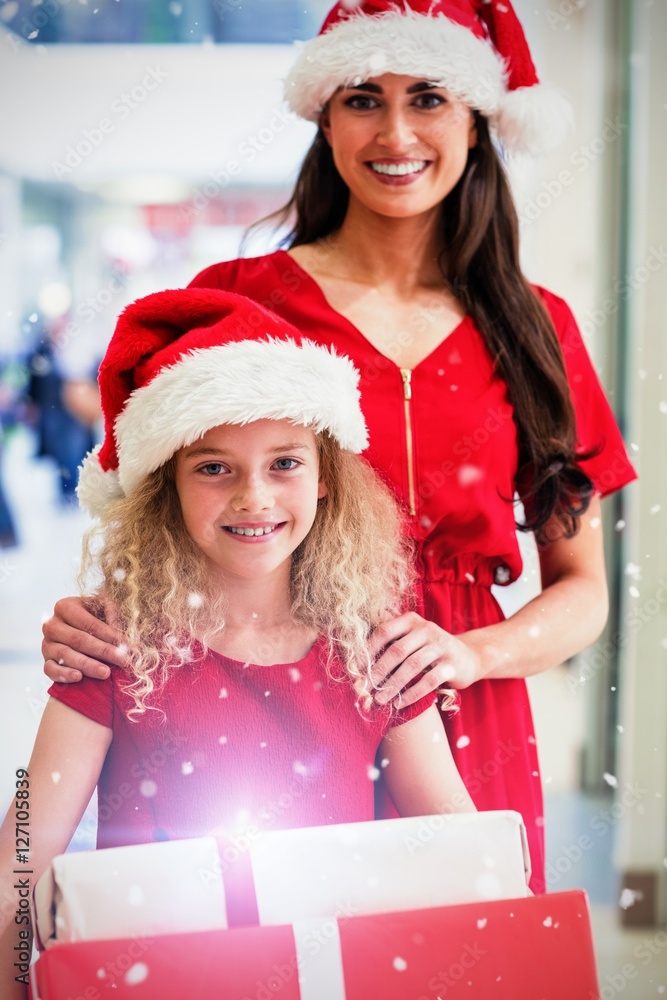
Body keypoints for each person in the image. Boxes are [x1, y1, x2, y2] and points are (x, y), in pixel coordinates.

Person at [40, 0, 637, 894]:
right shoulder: (242, 300)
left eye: (429, 96)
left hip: (465, 713)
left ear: (478, 122)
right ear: (325, 118)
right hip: (273, 703)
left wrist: (474, 654)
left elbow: (583, 588)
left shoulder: (536, 329)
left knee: (465, 946)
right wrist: (97, 616)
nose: (395, 131)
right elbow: (165, 510)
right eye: (363, 97)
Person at [0, 289, 475, 1000]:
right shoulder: (112, 648)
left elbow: (463, 861)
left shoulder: (373, 654)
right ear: (165, 489)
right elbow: (19, 860)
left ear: (325, 485)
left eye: (284, 463)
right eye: (213, 467)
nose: (253, 496)